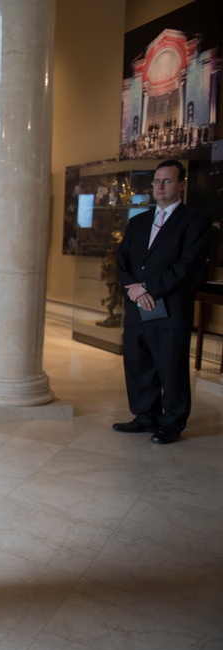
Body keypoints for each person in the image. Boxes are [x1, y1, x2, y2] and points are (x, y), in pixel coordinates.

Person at [113, 159, 212, 444]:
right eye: (156, 181)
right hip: (136, 307)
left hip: (170, 308)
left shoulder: (196, 220)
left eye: (167, 181)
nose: (159, 186)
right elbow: (122, 259)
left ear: (181, 185)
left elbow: (187, 265)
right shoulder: (138, 221)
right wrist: (133, 289)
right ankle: (145, 416)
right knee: (138, 363)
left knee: (171, 368)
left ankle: (172, 422)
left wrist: (147, 288)